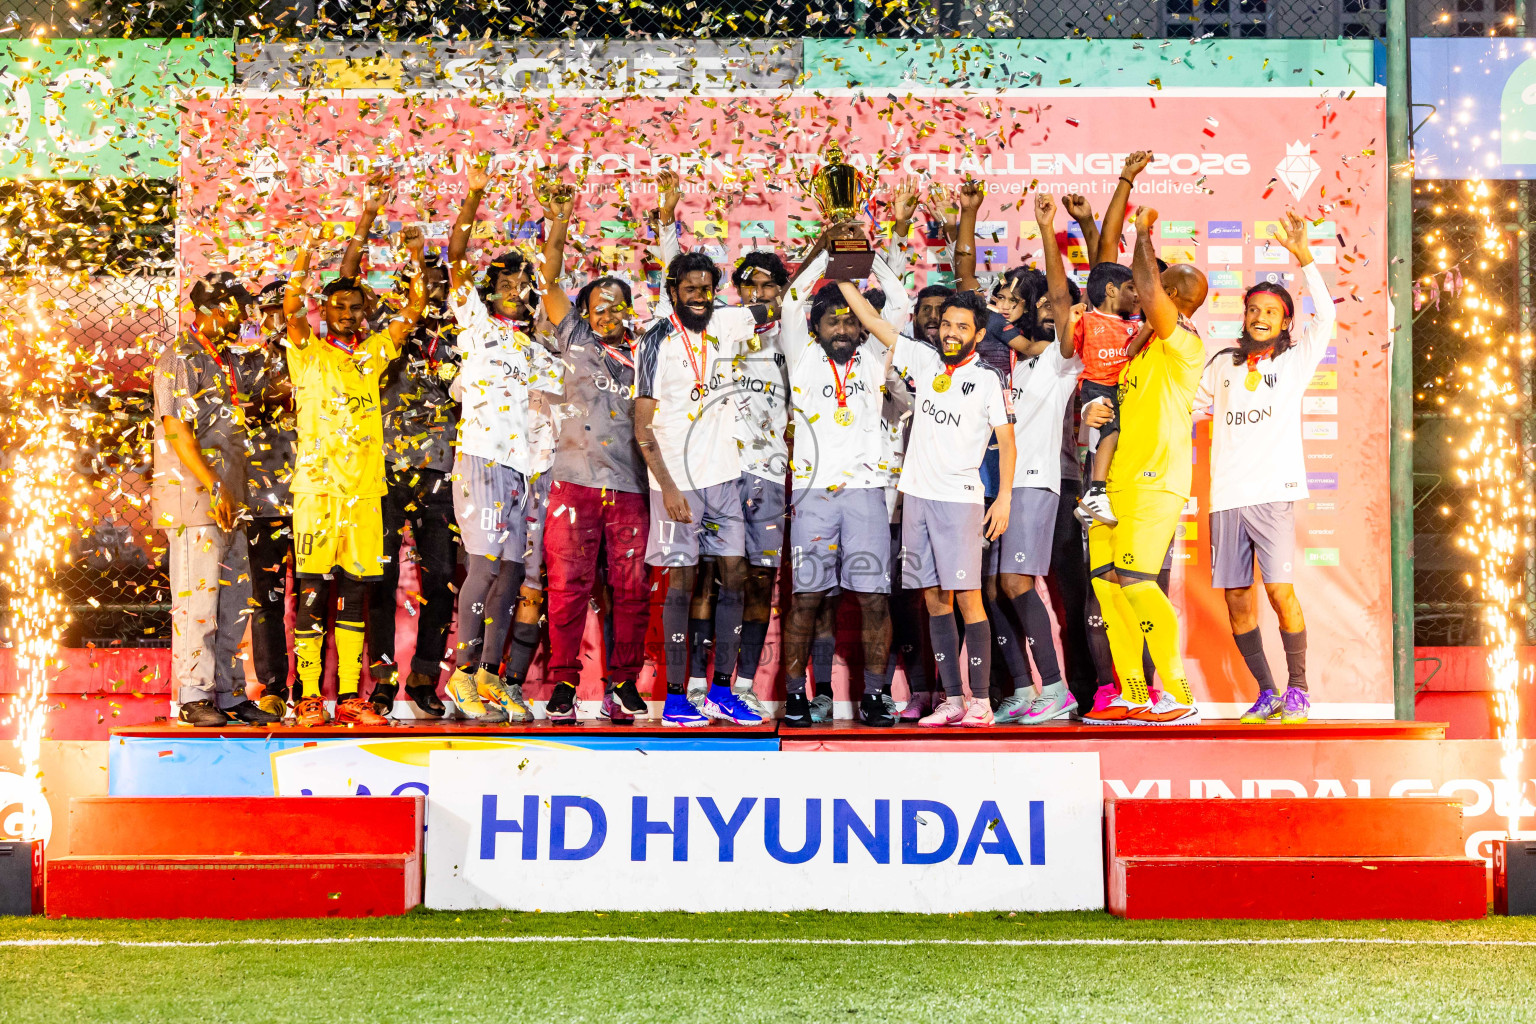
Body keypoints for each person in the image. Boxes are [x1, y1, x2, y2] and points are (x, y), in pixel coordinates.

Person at [837, 284, 1015, 728]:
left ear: (978, 335)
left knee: (968, 600)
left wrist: (1004, 498)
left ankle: (980, 702)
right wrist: (842, 277)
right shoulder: (924, 358)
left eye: (962, 327)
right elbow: (873, 322)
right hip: (916, 498)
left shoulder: (988, 378)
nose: (951, 332)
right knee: (935, 600)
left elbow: (1008, 443)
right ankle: (952, 700)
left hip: (960, 501)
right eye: (947, 324)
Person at [282, 225, 427, 727]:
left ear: (364, 313)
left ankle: (349, 696)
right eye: (338, 306)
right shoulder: (307, 353)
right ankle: (306, 696)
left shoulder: (373, 353)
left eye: (355, 307)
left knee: (356, 595)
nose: (347, 314)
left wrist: (415, 255)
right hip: (316, 491)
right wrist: (305, 252)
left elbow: (413, 310)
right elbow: (291, 309)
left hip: (364, 493)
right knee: (313, 591)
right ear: (324, 311)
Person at [1197, 211, 1335, 724]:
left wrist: (1305, 258)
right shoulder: (1222, 364)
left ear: (1284, 322)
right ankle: (1267, 692)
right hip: (1226, 499)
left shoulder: (1294, 363)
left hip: (1273, 494)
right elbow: (1186, 408)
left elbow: (1327, 317)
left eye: (1271, 312)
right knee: (1238, 601)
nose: (1260, 317)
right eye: (1253, 309)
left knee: (1279, 592)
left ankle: (1299, 689)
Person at [780, 213, 915, 729]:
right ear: (816, 328)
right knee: (807, 599)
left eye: (849, 320)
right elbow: (792, 299)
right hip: (813, 494)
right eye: (832, 320)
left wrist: (863, 255)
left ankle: (875, 697)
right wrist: (828, 250)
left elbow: (898, 302)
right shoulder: (802, 354)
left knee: (874, 599)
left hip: (866, 493)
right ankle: (796, 696)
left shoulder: (876, 352)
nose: (842, 328)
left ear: (861, 324)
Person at [634, 249, 778, 727]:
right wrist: (668, 488)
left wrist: (828, 243)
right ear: (673, 291)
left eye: (707, 289)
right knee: (682, 583)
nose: (699, 297)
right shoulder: (654, 339)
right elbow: (642, 427)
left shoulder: (726, 322)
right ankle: (676, 699)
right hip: (677, 483)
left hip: (723, 478)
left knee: (734, 577)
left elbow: (782, 299)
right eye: (690, 289)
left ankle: (721, 691)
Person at [440, 166, 561, 724]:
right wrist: (474, 194)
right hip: (482, 461)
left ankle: (490, 674)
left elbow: (551, 411)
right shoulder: (476, 327)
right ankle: (461, 675)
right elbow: (456, 258)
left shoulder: (538, 351)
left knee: (512, 574)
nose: (516, 292)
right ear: (489, 294)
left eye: (522, 286)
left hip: (525, 471)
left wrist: (557, 225)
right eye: (506, 285)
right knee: (485, 568)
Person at [1081, 207, 1209, 727]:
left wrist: (1141, 233)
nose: (1142, 293)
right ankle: (1133, 693)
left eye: (1154, 288)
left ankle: (1178, 693)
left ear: (1171, 297)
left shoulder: (1184, 343)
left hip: (1155, 482)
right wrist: (1092, 413)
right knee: (1108, 586)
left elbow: (1150, 290)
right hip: (1115, 482)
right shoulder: (1140, 348)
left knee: (1135, 580)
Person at [535, 170, 654, 725]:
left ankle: (622, 684)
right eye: (599, 307)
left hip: (631, 486)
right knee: (567, 588)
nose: (608, 314)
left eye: (617, 306)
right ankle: (563, 684)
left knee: (630, 591)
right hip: (573, 484)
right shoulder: (576, 339)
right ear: (584, 314)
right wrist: (559, 219)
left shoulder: (647, 353)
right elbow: (548, 280)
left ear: (630, 310)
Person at [345, 176, 458, 720]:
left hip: (440, 469)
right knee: (381, 578)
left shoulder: (460, 333)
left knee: (442, 578)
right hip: (385, 468)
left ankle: (425, 676)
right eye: (421, 282)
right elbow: (347, 281)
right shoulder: (383, 331)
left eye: (437, 284)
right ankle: (384, 679)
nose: (429, 291)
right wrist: (368, 219)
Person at [154, 272, 279, 727]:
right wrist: (213, 485)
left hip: (230, 500)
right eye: (234, 309)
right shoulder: (180, 357)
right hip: (196, 499)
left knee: (234, 601)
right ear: (210, 309)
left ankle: (227, 693)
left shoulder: (224, 359)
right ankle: (194, 694)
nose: (241, 317)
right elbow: (176, 431)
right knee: (199, 599)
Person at [990, 192, 1086, 725]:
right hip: (991, 484)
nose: (1001, 307)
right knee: (992, 589)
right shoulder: (1001, 361)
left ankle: (1056, 689)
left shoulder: (1056, 361)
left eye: (1011, 300)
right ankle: (1026, 690)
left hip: (1032, 481)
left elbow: (1060, 297)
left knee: (1016, 584)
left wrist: (1048, 231)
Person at [1075, 151, 1153, 526]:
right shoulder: (1103, 318)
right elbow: (1107, 244)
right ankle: (1095, 493)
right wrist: (1126, 179)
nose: (1140, 293)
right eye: (1134, 286)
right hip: (1107, 450)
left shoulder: (1162, 331)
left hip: (1146, 467)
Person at [232, 278, 298, 720]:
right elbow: (232, 416)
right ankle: (274, 687)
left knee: (316, 598)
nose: (278, 322)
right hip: (263, 499)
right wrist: (269, 400)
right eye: (271, 313)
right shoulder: (242, 362)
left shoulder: (317, 356)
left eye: (287, 313)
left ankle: (310, 691)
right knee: (266, 598)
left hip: (315, 495)